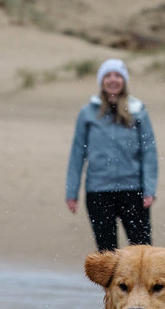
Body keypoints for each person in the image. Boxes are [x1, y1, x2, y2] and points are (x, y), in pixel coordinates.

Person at [66, 58, 158, 252]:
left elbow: (149, 152)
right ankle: (109, 285)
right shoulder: (88, 113)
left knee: (142, 250)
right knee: (107, 255)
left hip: (133, 190)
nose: (113, 80)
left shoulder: (138, 111)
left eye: (117, 75)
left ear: (124, 80)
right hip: (98, 191)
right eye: (108, 76)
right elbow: (77, 153)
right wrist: (71, 192)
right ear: (102, 81)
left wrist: (149, 189)